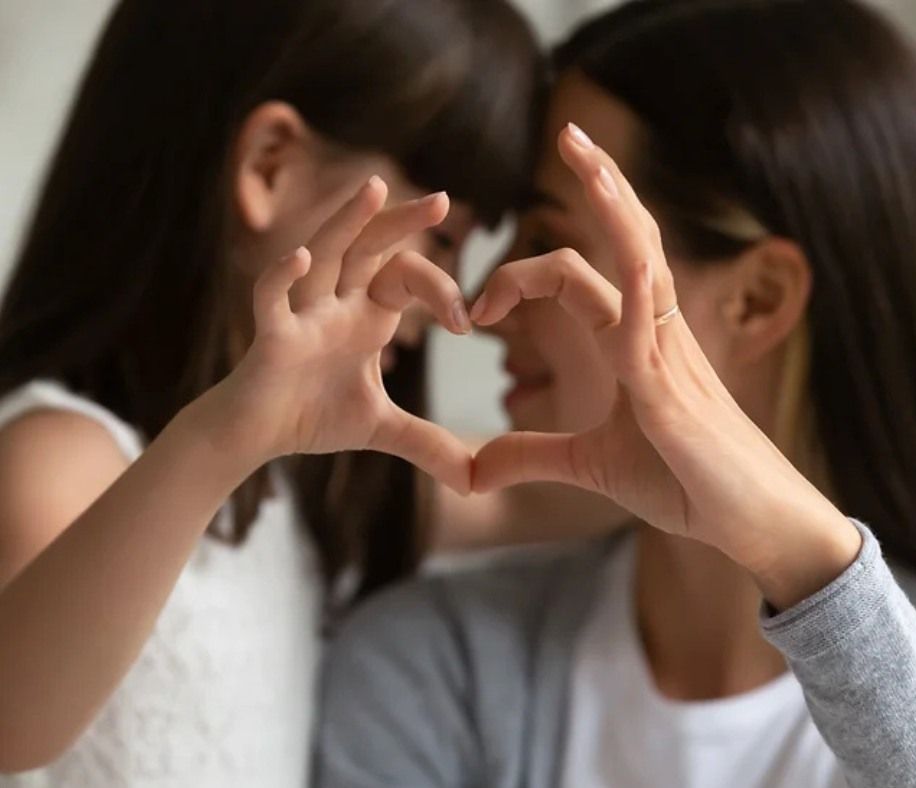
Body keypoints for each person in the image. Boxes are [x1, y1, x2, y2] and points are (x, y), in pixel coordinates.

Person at [313, 1, 916, 786]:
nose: (486, 297)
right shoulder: (436, 669)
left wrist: (809, 564)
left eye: (546, 240)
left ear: (757, 300)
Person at [0, 0, 544, 784]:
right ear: (268, 165)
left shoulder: (310, 492)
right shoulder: (63, 458)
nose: (449, 296)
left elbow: (534, 492)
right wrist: (223, 436)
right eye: (445, 238)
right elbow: (12, 724)